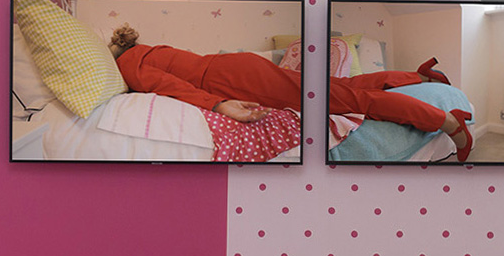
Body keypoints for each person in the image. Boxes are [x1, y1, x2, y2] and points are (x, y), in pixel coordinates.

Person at [108, 24, 473, 161]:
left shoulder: (127, 64)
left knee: (346, 100)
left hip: (232, 82)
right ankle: (419, 76)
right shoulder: (148, 49)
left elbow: (169, 87)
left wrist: (218, 104)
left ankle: (446, 122)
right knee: (339, 89)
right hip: (236, 69)